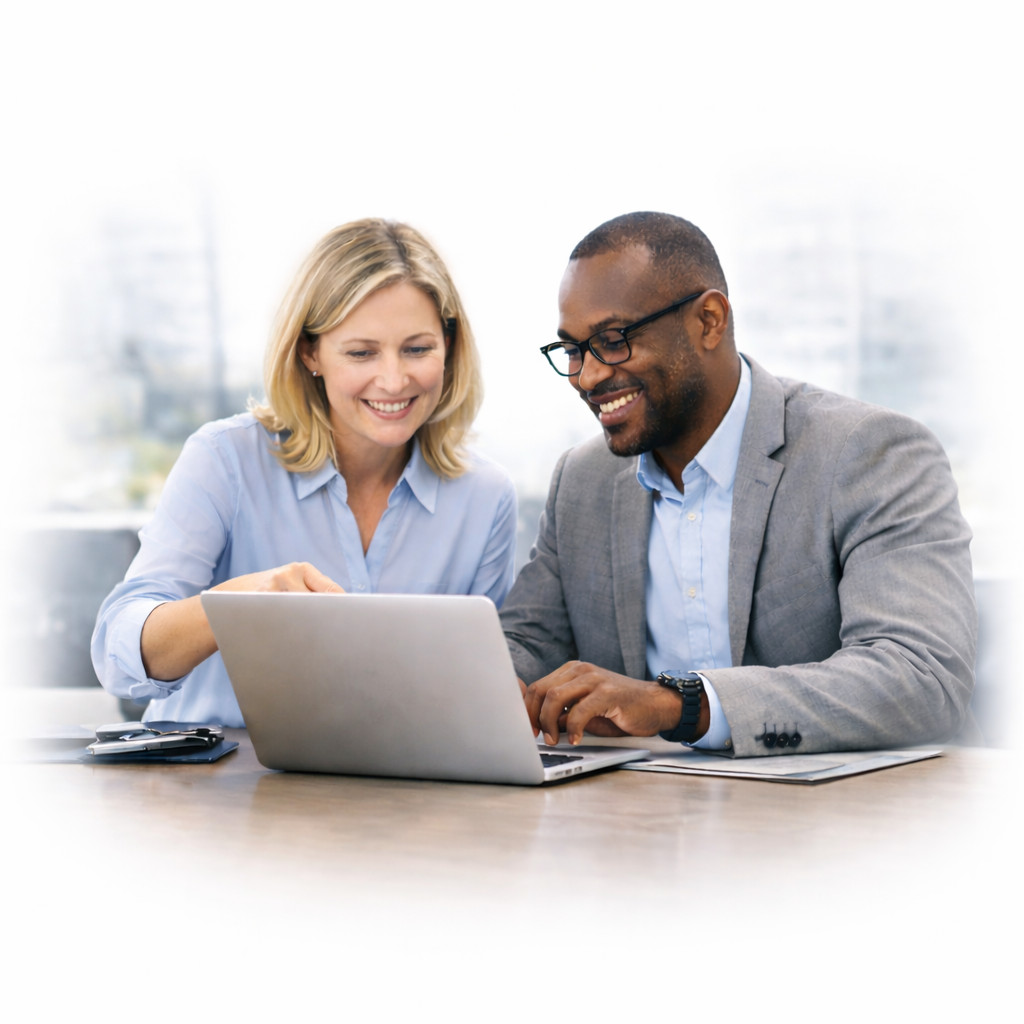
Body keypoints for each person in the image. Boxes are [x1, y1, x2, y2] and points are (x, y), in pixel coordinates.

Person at [501, 211, 977, 757]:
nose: (586, 376)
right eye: (572, 350)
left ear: (708, 321)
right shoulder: (580, 483)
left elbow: (919, 677)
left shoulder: (870, 452)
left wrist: (679, 704)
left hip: (861, 816)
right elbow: (528, 642)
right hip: (650, 817)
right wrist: (495, 687)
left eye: (613, 340)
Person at [92, 218, 517, 726]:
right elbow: (119, 655)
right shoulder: (224, 459)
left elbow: (482, 685)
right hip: (210, 788)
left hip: (393, 793)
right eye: (361, 352)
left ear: (449, 345)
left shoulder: (485, 496)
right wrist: (239, 604)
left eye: (417, 349)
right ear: (310, 352)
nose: (394, 379)